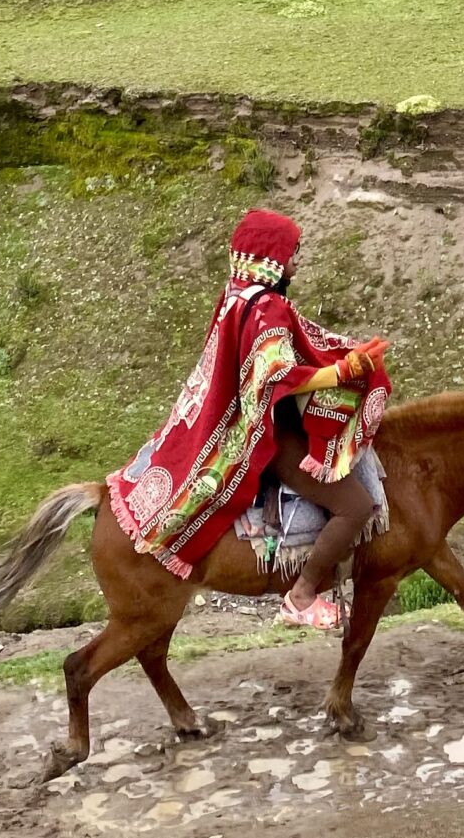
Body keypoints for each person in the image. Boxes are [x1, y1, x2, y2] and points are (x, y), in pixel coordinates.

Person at [106, 207, 390, 632]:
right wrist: (342, 373)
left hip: (249, 422)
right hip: (266, 436)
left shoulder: (237, 297)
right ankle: (303, 595)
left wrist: (344, 352)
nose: (297, 262)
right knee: (355, 506)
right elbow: (274, 375)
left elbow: (297, 344)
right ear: (273, 259)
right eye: (292, 253)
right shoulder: (268, 306)